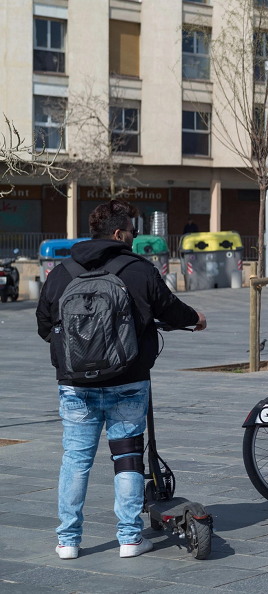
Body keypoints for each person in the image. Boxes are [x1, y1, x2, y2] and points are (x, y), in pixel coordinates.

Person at [36, 199, 207, 560]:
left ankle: (68, 541)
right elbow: (170, 308)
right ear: (118, 233)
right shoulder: (138, 268)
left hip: (75, 384)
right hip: (128, 379)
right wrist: (196, 318)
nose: (134, 235)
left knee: (75, 460)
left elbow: (43, 325)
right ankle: (130, 538)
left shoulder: (61, 272)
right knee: (128, 459)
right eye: (131, 229)